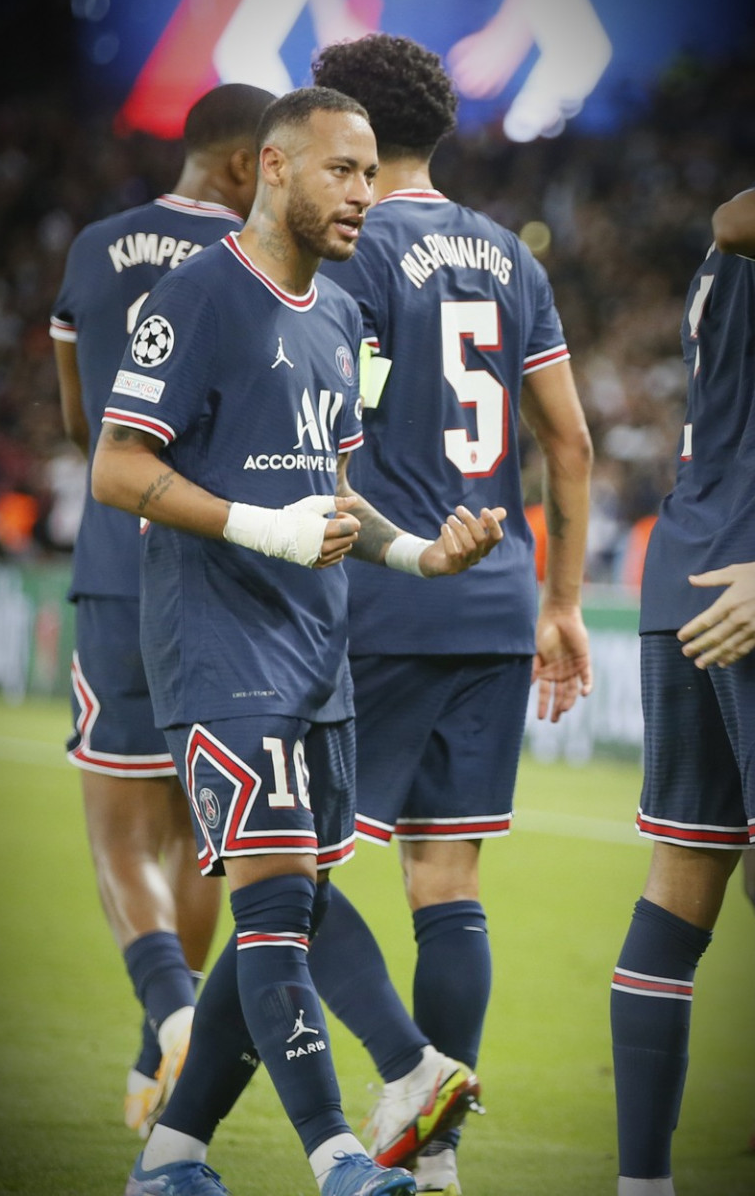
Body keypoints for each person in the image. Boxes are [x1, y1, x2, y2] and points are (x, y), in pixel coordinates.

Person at [92, 85, 506, 1196]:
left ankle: (172, 1156)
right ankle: (339, 1154)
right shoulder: (196, 296)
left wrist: (420, 555)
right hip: (219, 654)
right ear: (272, 169)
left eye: (371, 173)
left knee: (292, 907)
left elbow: (334, 497)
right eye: (342, 170)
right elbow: (117, 468)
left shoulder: (338, 315)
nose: (363, 195)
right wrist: (253, 524)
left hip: (318, 661)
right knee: (276, 903)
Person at [309, 34, 593, 1196]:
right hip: (498, 599)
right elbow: (564, 440)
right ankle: (438, 1167)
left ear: (353, 136)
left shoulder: (353, 241)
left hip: (388, 593)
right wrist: (562, 604)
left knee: (290, 876)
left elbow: (326, 426)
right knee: (446, 884)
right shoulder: (504, 257)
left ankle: (392, 1078)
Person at [49, 82, 276, 1138]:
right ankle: (162, 1058)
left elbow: (75, 415)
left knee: (116, 833)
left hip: (113, 566)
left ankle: (171, 1016)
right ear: (245, 167)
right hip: (222, 577)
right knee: (200, 838)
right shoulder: (258, 265)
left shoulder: (94, 244)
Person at [609, 186, 755, 1195]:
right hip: (741, 580)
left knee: (684, 883)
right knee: (684, 880)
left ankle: (641, 1183)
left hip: (690, 564)